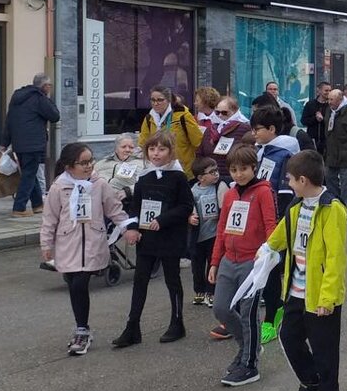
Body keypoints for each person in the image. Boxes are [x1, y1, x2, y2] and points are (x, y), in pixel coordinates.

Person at [265, 149, 347, 391]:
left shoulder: (331, 209)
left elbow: (336, 258)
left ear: (302, 180)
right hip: (295, 290)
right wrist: (265, 250)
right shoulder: (296, 207)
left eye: (289, 179)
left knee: (324, 347)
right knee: (288, 336)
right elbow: (280, 236)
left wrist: (327, 298)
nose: (287, 184)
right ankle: (311, 381)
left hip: (320, 295)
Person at [40, 142, 129, 355]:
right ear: (69, 166)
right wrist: (46, 244)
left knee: (80, 283)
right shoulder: (59, 187)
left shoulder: (99, 185)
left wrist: (128, 228)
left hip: (93, 243)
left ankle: (82, 330)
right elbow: (49, 218)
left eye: (91, 161)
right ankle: (82, 326)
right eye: (83, 163)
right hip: (67, 244)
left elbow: (115, 209)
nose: (89, 166)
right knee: (73, 284)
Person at [112, 131, 194, 347]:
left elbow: (186, 206)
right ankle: (132, 327)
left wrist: (163, 219)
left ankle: (177, 322)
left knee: (172, 280)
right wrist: (132, 228)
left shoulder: (178, 177)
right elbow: (135, 207)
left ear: (170, 152)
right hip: (146, 238)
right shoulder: (144, 177)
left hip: (169, 237)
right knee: (140, 281)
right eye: (152, 149)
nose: (156, 153)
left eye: (161, 149)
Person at [208, 144, 277, 386]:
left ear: (254, 168)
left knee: (249, 313)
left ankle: (250, 364)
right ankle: (248, 346)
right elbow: (222, 229)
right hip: (229, 260)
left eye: (244, 169)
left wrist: (268, 254)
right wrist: (215, 262)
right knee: (221, 309)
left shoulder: (263, 192)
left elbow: (271, 225)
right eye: (234, 170)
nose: (239, 174)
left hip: (252, 261)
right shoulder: (229, 195)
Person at [251, 105, 299, 346]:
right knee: (265, 268)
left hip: (276, 220)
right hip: (257, 217)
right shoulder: (260, 151)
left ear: (272, 129)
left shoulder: (284, 154)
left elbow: (284, 193)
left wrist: (277, 225)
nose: (254, 133)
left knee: (270, 268)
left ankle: (272, 316)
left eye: (258, 129)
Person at [0, 73, 61, 218]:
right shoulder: (39, 98)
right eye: (49, 86)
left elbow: (9, 121)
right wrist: (47, 98)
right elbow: (55, 116)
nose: (50, 88)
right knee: (28, 175)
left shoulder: (17, 97)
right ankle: (19, 207)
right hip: (33, 144)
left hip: (18, 144)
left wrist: (4, 142)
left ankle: (37, 205)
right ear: (45, 86)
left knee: (30, 172)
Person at [139, 85, 204, 181]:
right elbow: (143, 144)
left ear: (169, 100)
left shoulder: (183, 116)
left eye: (160, 100)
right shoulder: (149, 118)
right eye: (153, 100)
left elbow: (197, 141)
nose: (156, 103)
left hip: (183, 170)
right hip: (158, 170)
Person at [188, 157, 227, 307]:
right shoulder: (193, 191)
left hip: (214, 234)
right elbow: (188, 208)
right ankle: (199, 291)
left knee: (213, 263)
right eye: (211, 172)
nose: (216, 174)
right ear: (200, 177)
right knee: (197, 266)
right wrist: (190, 217)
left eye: (216, 170)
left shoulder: (218, 187)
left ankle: (211, 292)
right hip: (198, 236)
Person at [198, 95, 251, 180]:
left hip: (233, 176)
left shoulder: (244, 128)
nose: (220, 115)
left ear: (234, 112)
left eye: (224, 112)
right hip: (211, 178)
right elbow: (200, 153)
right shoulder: (210, 129)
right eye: (217, 112)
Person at [93, 133, 146, 206]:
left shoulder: (143, 164)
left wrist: (128, 191)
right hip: (98, 199)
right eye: (123, 147)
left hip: (125, 201)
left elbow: (147, 183)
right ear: (116, 149)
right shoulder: (102, 163)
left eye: (131, 147)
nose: (127, 150)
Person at [301, 82, 331, 155]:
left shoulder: (331, 106)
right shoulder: (310, 104)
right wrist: (315, 119)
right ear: (319, 91)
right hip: (312, 140)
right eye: (326, 90)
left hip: (327, 141)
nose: (328, 93)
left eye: (330, 91)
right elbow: (303, 121)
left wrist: (323, 119)